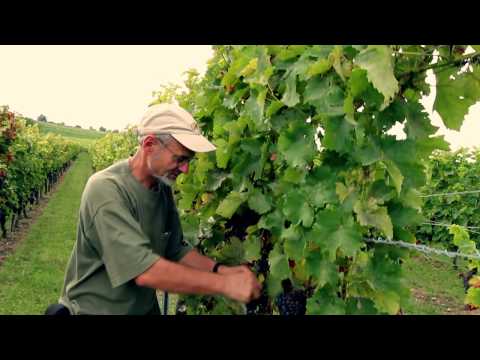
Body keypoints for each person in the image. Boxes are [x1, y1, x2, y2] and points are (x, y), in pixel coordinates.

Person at [49, 103, 261, 315]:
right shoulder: (106, 189)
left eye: (189, 160)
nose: (185, 169)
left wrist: (221, 271)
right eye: (180, 158)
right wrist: (225, 285)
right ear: (150, 144)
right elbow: (144, 271)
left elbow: (176, 249)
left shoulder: (161, 187)